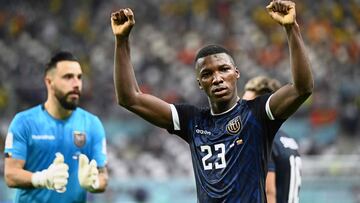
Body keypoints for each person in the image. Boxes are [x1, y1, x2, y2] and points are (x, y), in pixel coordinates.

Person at [111, 0, 313, 202]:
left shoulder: (257, 113)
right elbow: (130, 98)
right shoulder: (192, 120)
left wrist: (291, 28)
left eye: (224, 69)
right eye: (207, 74)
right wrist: (121, 41)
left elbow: (302, 89)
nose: (217, 78)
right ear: (200, 83)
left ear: (236, 74)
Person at [4, 51, 108, 203]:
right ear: (49, 82)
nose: (76, 83)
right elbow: (10, 174)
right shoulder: (23, 122)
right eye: (68, 77)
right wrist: (41, 178)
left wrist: (94, 182)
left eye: (79, 77)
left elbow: (103, 176)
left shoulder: (93, 124)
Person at [243, 76, 302, 203]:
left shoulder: (263, 141)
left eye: (248, 104)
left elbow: (269, 192)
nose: (241, 110)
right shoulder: (288, 140)